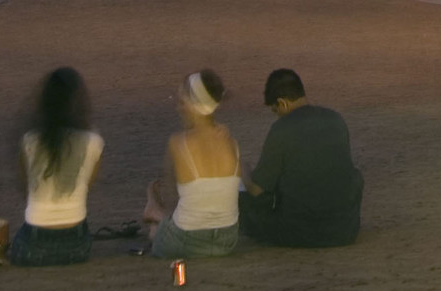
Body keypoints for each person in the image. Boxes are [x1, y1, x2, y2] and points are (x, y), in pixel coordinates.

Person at [240, 69, 363, 247]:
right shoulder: (336, 119)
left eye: (276, 111)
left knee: (245, 203)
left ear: (282, 103)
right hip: (345, 230)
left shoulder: (281, 129)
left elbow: (257, 190)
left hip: (301, 233)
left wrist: (243, 170)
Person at [8, 67, 103, 265]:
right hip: (76, 246)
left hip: (34, 245)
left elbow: (26, 189)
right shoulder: (93, 141)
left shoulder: (29, 141)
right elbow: (86, 187)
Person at [143, 71, 241, 261]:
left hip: (186, 242)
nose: (178, 108)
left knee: (162, 232)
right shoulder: (231, 141)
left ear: (193, 106)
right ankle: (156, 218)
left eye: (181, 102)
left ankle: (154, 212)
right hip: (227, 241)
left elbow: (173, 201)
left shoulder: (178, 143)